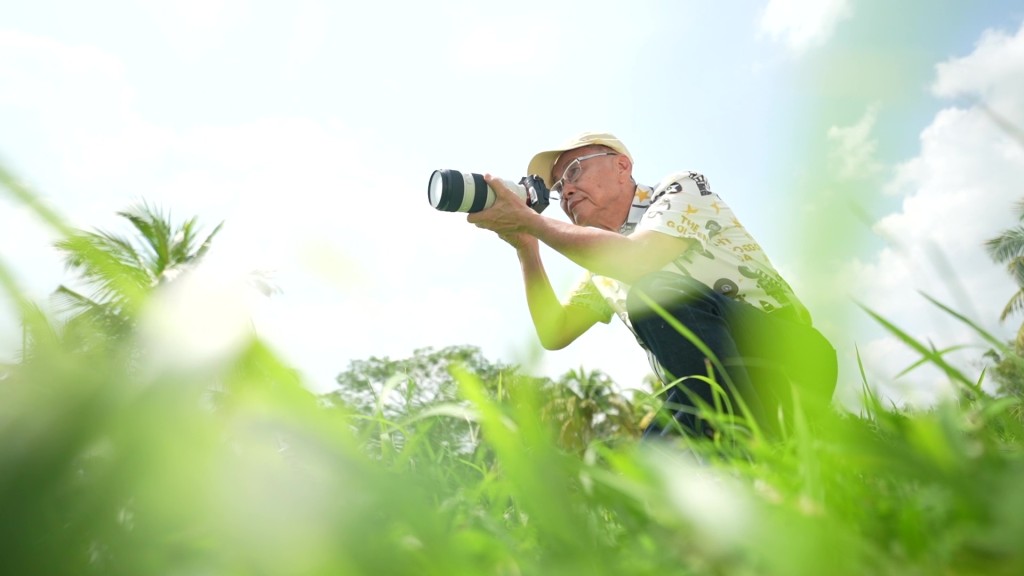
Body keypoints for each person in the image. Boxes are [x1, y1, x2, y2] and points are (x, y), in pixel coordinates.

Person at [467, 132, 837, 439]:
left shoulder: (680, 188)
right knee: (651, 482)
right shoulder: (601, 263)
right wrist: (526, 248)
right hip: (702, 394)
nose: (565, 191)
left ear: (621, 166)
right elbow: (554, 331)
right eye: (558, 186)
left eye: (575, 172)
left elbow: (638, 260)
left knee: (655, 292)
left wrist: (534, 223)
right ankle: (732, 454)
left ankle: (749, 446)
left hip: (791, 357)